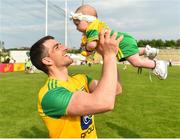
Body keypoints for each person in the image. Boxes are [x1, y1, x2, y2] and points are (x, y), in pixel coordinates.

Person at [30, 29, 123, 138]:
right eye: (57, 47)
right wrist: (109, 55)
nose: (65, 47)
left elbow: (116, 89)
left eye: (60, 44)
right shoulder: (50, 93)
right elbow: (105, 102)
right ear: (47, 61)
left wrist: (109, 54)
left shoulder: (81, 79)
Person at [70, 5, 168, 80]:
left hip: (120, 42)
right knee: (131, 53)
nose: (77, 28)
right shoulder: (96, 26)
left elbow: (92, 45)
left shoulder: (91, 29)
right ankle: (148, 51)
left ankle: (157, 64)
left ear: (87, 20)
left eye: (77, 24)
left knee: (136, 62)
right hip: (123, 40)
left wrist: (86, 48)